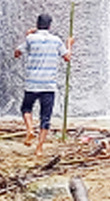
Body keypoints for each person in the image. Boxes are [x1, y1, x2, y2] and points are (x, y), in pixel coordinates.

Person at [14, 13, 72, 156]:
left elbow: (17, 53)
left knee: (26, 108)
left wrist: (27, 36)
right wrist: (69, 44)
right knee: (45, 118)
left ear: (37, 24)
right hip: (48, 85)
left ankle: (29, 130)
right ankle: (39, 148)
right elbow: (67, 58)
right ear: (50, 26)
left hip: (32, 83)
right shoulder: (57, 41)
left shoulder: (31, 39)